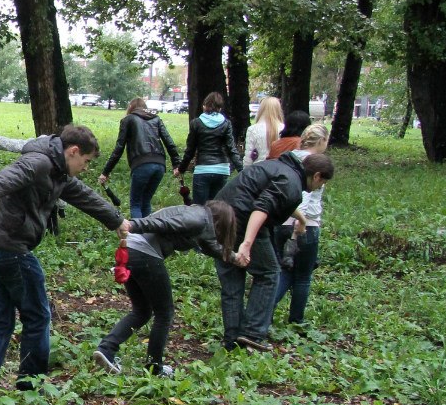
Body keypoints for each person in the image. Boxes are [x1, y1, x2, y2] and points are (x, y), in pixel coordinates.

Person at [0, 126, 130, 396]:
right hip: (10, 250)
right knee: (37, 316)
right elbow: (0, 181)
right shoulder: (39, 162)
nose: (86, 167)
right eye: (87, 161)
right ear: (73, 151)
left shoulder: (56, 169)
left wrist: (116, 220)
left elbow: (82, 194)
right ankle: (30, 384)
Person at [93, 201, 238, 377]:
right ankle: (155, 367)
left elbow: (210, 246)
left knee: (142, 311)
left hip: (131, 249)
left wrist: (235, 258)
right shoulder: (198, 219)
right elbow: (162, 224)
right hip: (144, 253)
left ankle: (106, 349)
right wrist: (132, 224)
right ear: (220, 220)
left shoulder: (198, 219)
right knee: (165, 313)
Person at [213, 151, 335, 352]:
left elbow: (276, 198)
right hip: (242, 221)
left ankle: (232, 340)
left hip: (218, 217)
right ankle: (252, 334)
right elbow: (261, 208)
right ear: (317, 176)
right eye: (322, 183)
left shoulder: (281, 169)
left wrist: (302, 220)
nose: (320, 187)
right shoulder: (292, 183)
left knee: (232, 276)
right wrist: (247, 243)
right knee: (269, 273)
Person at [274, 124, 329, 324]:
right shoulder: (315, 165)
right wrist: (300, 224)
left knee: (284, 270)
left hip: (280, 221)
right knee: (302, 276)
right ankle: (296, 320)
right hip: (305, 225)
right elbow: (301, 198)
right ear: (322, 141)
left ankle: (264, 313)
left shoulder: (289, 157)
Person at [97, 97, 181, 218]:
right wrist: (176, 164)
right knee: (146, 201)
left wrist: (106, 172)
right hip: (159, 165)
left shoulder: (128, 120)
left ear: (130, 108)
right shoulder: (156, 119)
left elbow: (119, 148)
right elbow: (169, 142)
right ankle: (148, 234)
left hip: (141, 163)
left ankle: (138, 235)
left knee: (135, 204)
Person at [175, 92, 241, 205]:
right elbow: (231, 149)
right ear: (220, 108)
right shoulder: (226, 123)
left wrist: (181, 169)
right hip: (222, 170)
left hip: (203, 169)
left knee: (199, 209)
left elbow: (190, 151)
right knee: (217, 209)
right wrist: (242, 170)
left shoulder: (196, 123)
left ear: (205, 106)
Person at [244, 96, 283, 166]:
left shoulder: (253, 129)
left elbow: (249, 157)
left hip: (259, 170)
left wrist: (246, 172)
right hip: (279, 170)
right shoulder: (283, 128)